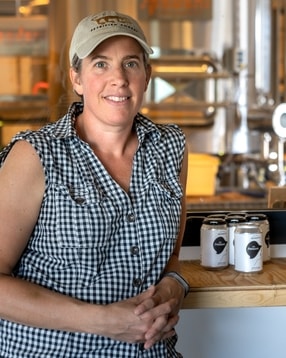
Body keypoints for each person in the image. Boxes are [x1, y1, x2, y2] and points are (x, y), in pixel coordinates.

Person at [0, 10, 189, 357]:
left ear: (146, 75)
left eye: (131, 63)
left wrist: (173, 288)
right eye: (100, 64)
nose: (118, 78)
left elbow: (171, 257)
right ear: (76, 78)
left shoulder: (170, 146)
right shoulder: (36, 155)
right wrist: (101, 321)